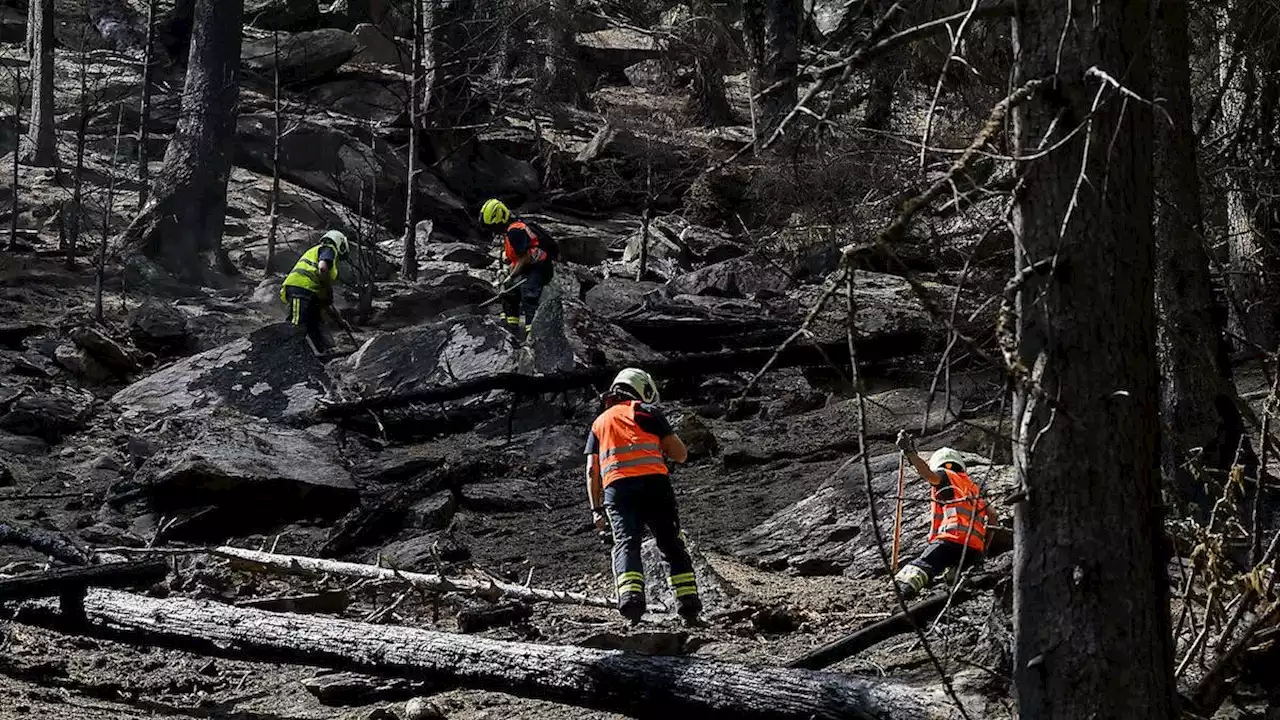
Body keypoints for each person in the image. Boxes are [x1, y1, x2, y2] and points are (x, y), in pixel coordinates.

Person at [585, 368, 701, 624]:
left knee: (626, 542)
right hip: (655, 485)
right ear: (642, 390)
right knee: (670, 543)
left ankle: (631, 604)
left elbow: (592, 471)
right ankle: (688, 606)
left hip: (618, 490)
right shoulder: (647, 412)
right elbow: (680, 454)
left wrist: (596, 509)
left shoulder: (599, 423)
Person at [892, 431, 994, 600]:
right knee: (959, 577)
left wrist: (910, 452)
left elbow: (928, 475)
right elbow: (993, 517)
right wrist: (983, 548)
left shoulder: (945, 475)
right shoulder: (974, 488)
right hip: (973, 548)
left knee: (920, 568)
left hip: (950, 539)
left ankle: (899, 596)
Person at [479, 199, 557, 338]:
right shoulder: (512, 230)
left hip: (538, 268)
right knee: (509, 295)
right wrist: (506, 272)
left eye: (492, 227)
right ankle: (511, 330)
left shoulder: (515, 231)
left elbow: (525, 258)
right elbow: (515, 258)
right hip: (528, 267)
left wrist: (511, 276)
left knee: (529, 296)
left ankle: (532, 336)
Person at [279, 229, 354, 354]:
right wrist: (328, 290)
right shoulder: (328, 249)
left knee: (316, 322)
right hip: (301, 288)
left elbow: (326, 303)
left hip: (309, 291)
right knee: (297, 323)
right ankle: (288, 352)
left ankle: (328, 350)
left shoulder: (320, 251)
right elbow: (323, 269)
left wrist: (339, 320)